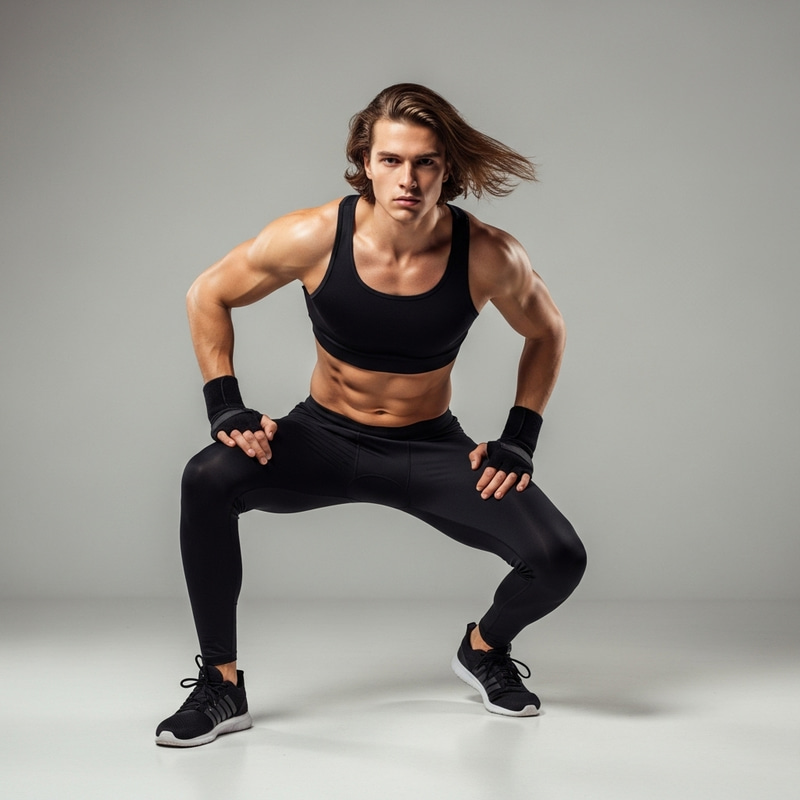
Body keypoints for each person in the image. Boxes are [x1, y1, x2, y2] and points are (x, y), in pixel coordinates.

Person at [155, 83, 587, 747]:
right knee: (206, 477)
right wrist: (226, 405)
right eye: (391, 161)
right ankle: (222, 684)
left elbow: (547, 331)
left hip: (428, 451)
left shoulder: (490, 255)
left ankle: (482, 649)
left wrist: (519, 437)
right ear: (365, 160)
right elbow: (207, 293)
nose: (407, 179)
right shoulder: (312, 235)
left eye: (424, 163)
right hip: (322, 439)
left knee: (559, 558)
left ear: (448, 168)